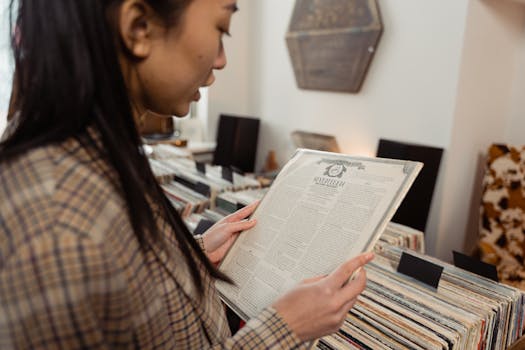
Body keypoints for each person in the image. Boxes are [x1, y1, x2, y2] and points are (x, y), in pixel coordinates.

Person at [0, 0, 373, 348]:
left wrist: (189, 254)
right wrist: (285, 328)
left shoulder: (100, 161)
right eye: (221, 29)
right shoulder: (57, 231)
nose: (222, 59)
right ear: (139, 28)